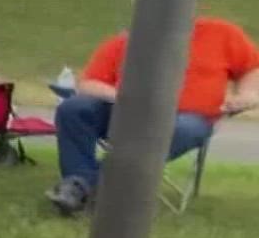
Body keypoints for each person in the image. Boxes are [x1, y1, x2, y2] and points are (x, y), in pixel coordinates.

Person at [48, 16, 259, 215]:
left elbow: (252, 68)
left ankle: (83, 188)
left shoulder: (221, 33)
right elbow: (88, 84)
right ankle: (82, 183)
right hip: (126, 114)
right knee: (74, 108)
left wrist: (248, 95)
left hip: (188, 118)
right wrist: (125, 97)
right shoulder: (125, 40)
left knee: (182, 128)